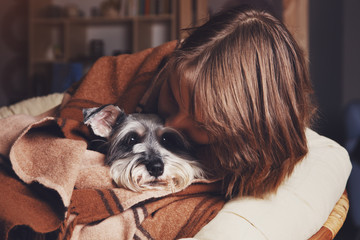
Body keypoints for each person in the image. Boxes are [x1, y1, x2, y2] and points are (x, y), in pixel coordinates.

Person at [134, 6, 351, 239]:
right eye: (172, 98)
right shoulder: (164, 70)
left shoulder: (252, 160)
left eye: (201, 124)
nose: (172, 124)